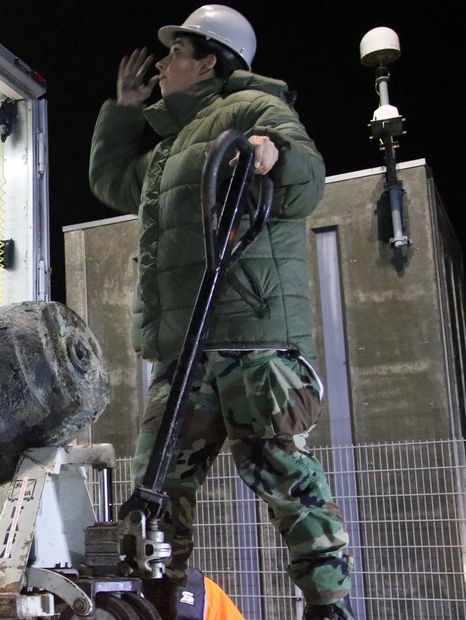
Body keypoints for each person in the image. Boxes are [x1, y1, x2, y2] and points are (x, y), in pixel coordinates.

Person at [88, 5, 353, 620]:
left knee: (279, 468)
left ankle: (327, 604)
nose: (162, 63)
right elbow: (113, 182)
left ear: (208, 60)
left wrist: (270, 154)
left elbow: (306, 178)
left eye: (176, 52)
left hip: (253, 339)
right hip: (188, 346)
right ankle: (159, 595)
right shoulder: (170, 148)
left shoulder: (255, 111)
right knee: (158, 487)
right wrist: (124, 114)